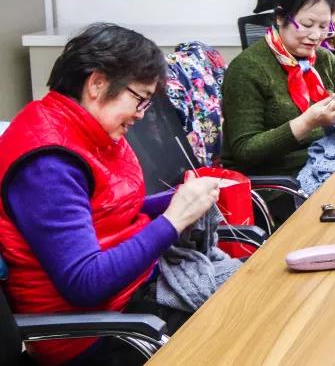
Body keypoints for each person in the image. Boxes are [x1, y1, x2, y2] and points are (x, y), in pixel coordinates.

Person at [0, 24, 223, 364]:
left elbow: (108, 211)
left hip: (129, 297)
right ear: (97, 83)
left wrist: (177, 201)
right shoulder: (48, 164)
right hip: (94, 334)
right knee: (240, 322)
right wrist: (173, 221)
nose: (141, 113)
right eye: (139, 99)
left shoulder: (84, 129)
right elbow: (85, 282)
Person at [222, 0, 335, 179]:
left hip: (331, 165)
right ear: (280, 17)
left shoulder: (325, 60)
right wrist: (306, 123)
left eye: (324, 27)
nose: (315, 36)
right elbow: (245, 151)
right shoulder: (246, 69)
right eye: (307, 24)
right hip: (281, 180)